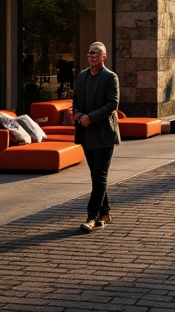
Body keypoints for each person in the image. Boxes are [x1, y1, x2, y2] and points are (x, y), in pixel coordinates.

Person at [72, 41, 120, 233]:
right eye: (89, 52)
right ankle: (105, 213)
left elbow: (112, 104)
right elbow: (75, 101)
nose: (91, 56)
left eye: (95, 53)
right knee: (96, 175)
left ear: (103, 57)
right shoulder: (82, 76)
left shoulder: (110, 77)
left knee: (100, 175)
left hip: (104, 134)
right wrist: (77, 114)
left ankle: (92, 217)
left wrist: (90, 117)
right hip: (86, 134)